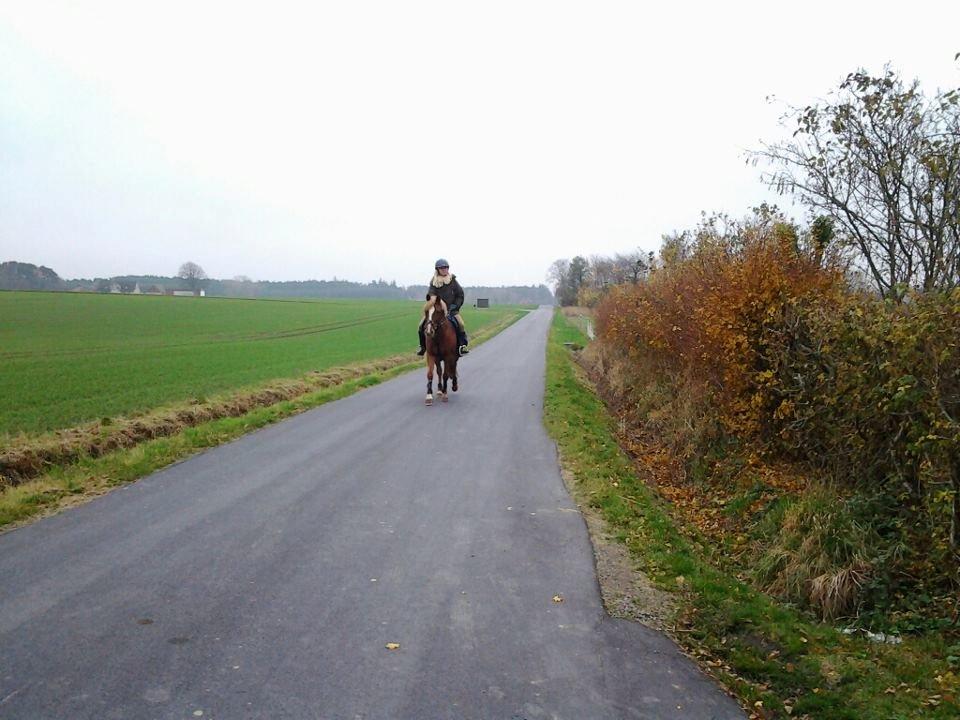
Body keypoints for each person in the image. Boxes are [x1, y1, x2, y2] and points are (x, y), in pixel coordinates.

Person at [417, 258, 469, 356]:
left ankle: (462, 346)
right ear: (437, 269)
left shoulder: (452, 280)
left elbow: (460, 295)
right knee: (420, 325)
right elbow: (431, 293)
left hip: (451, 309)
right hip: (436, 309)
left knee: (461, 324)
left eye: (446, 267)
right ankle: (422, 347)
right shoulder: (433, 282)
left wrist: (455, 306)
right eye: (442, 268)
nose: (445, 269)